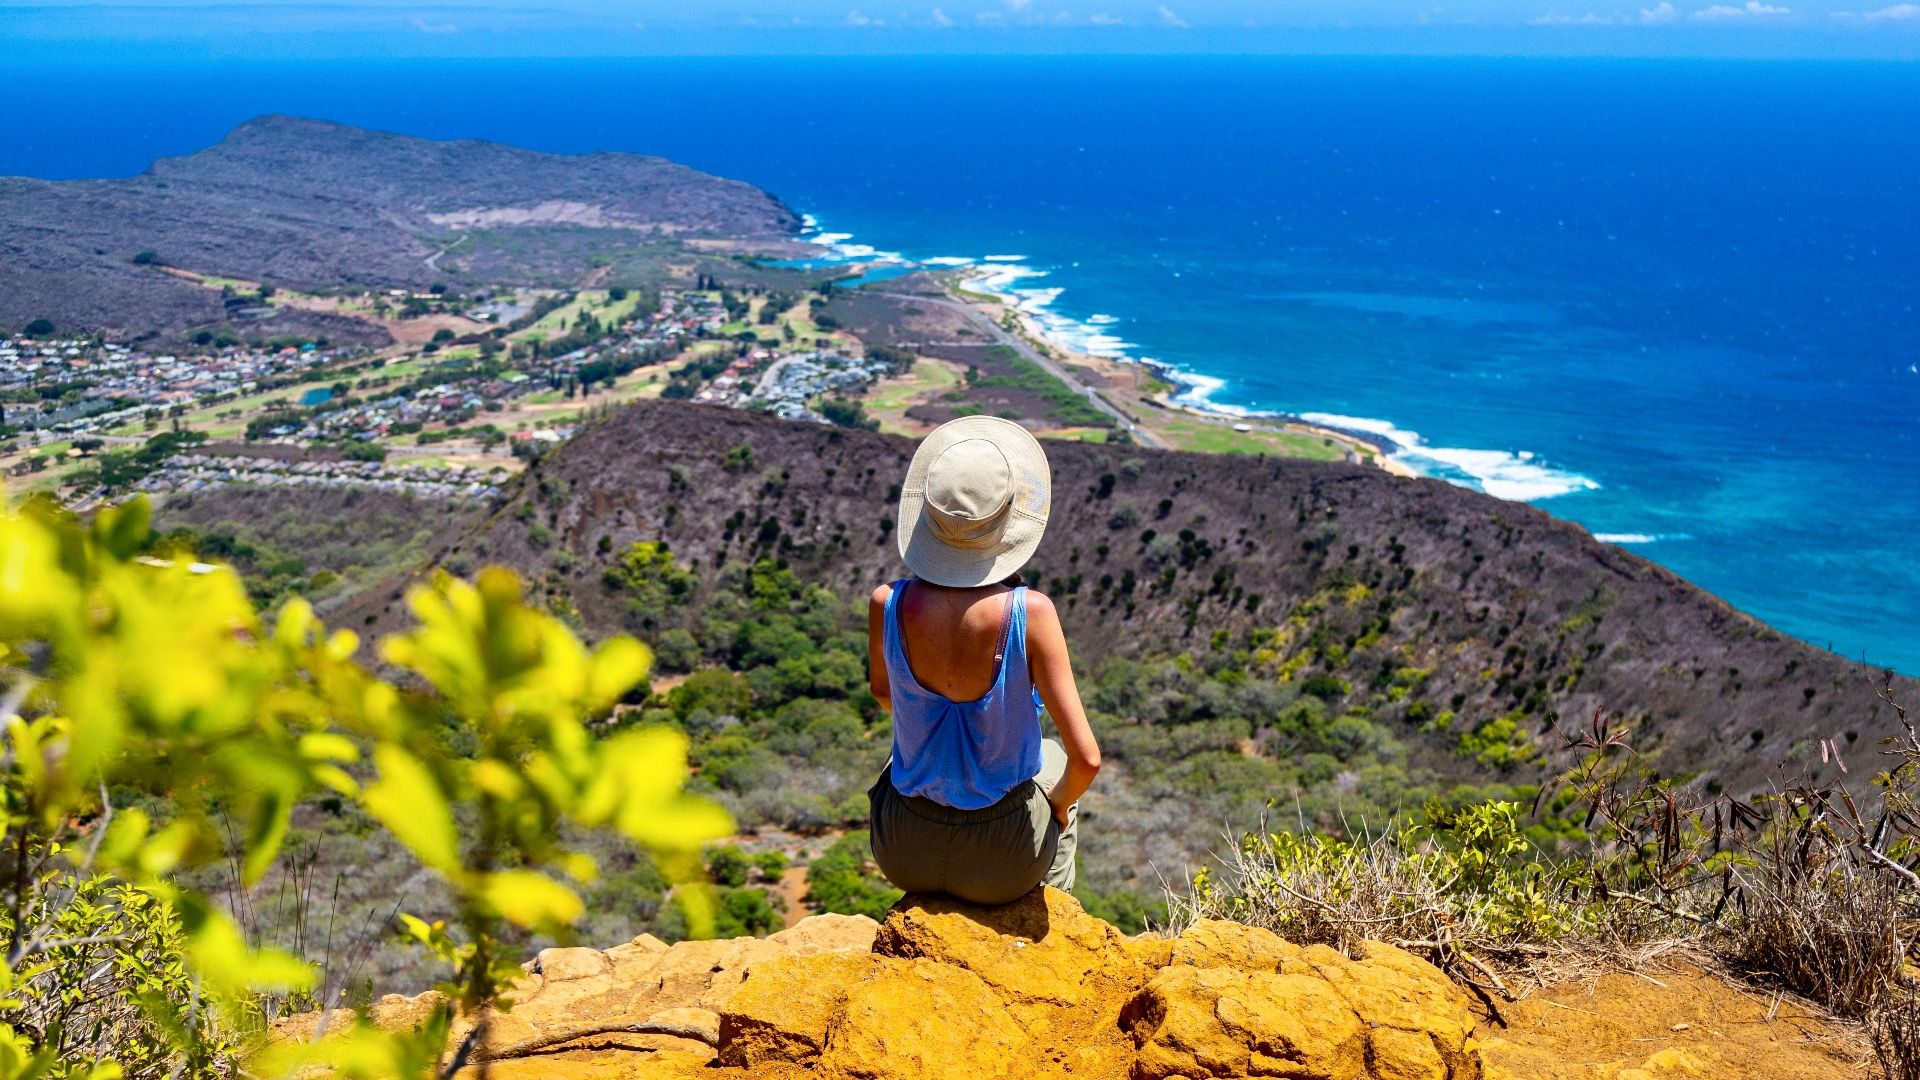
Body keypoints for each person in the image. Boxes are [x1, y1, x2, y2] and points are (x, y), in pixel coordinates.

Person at [866, 415, 1102, 905]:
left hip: (902, 847)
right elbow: (1087, 760)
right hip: (1003, 860)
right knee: (1054, 755)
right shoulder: (1029, 614)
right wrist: (1055, 809)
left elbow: (886, 696)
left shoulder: (885, 603)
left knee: (903, 756)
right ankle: (1050, 909)